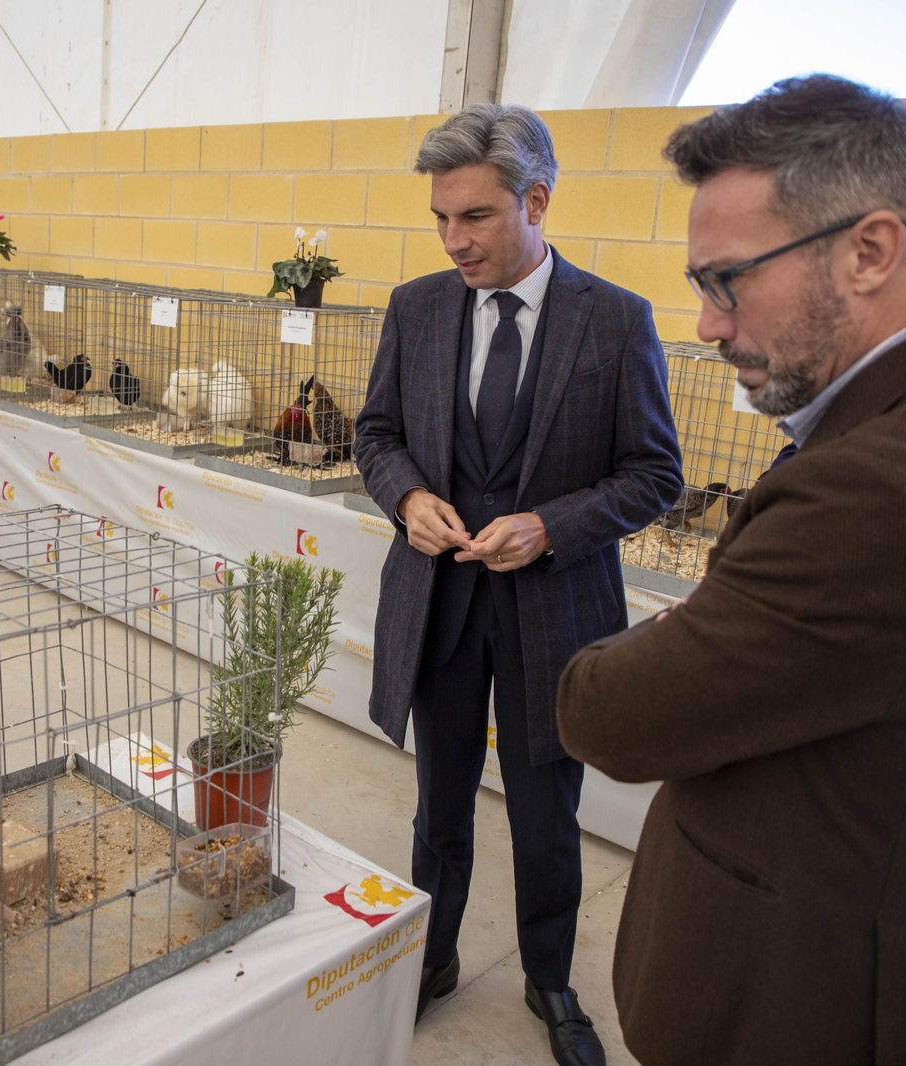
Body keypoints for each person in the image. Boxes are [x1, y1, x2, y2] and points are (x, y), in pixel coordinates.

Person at [555, 75, 906, 1066]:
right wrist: (707, 623)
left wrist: (675, 632)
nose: (708, 325)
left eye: (728, 280)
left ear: (869, 250)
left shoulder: (883, 484)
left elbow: (606, 714)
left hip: (794, 1002)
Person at [353, 103, 681, 1066]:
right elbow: (377, 435)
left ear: (536, 202)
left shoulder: (615, 320)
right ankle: (433, 957)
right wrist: (408, 496)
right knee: (439, 808)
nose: (454, 240)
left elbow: (654, 474)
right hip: (442, 609)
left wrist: (551, 526)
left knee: (546, 817)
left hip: (556, 616)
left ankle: (550, 980)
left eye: (476, 217)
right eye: (441, 219)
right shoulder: (416, 308)